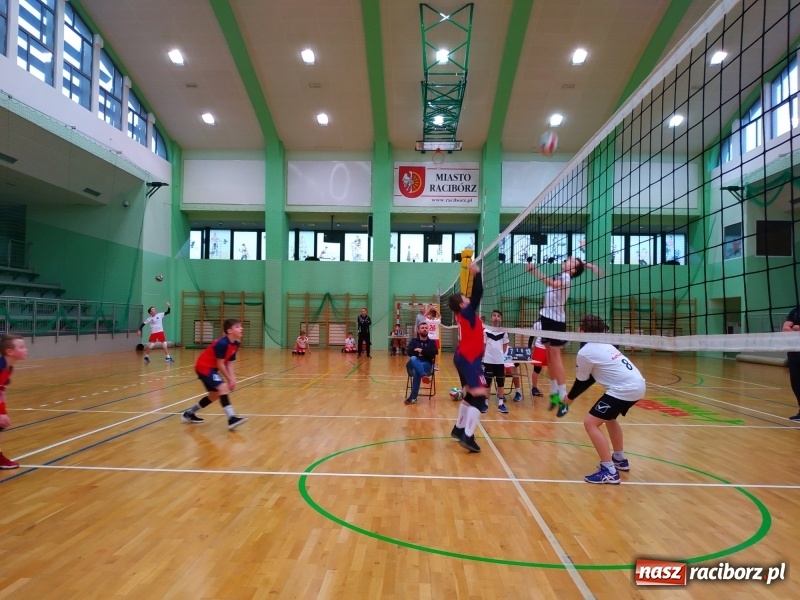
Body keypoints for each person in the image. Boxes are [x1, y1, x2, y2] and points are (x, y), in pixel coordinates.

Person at [557, 315, 646, 484]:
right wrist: (571, 397)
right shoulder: (606, 344)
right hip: (638, 385)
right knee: (609, 418)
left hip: (624, 389)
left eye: (579, 327)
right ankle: (619, 459)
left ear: (582, 331)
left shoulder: (585, 352)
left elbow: (582, 381)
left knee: (590, 422)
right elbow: (590, 378)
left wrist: (569, 398)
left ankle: (609, 470)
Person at [525, 256, 599, 410]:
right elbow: (578, 263)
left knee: (555, 358)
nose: (566, 260)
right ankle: (554, 394)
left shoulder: (565, 277)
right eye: (568, 259)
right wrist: (590, 266)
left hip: (555, 322)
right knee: (550, 359)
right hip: (546, 318)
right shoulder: (563, 274)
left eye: (570, 261)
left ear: (573, 270)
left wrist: (534, 271)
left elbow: (552, 284)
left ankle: (563, 398)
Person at [448, 261, 489, 453]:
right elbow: (478, 293)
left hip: (462, 357)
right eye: (465, 298)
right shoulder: (467, 312)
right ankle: (468, 436)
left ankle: (459, 429)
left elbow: (474, 297)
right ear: (462, 304)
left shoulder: (462, 314)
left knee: (471, 394)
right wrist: (476, 273)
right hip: (469, 359)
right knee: (480, 397)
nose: (468, 299)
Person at [181, 318, 248, 430]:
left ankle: (189, 413)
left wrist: (233, 378)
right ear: (229, 331)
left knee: (214, 395)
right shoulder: (222, 343)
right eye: (237, 327)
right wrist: (228, 379)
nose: (241, 328)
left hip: (212, 369)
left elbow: (229, 363)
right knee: (223, 388)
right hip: (204, 367)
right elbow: (220, 364)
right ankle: (231, 418)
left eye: (241, 326)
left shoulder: (235, 344)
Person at [0, 334, 28, 469]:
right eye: (21, 347)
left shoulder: (8, 368)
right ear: (10, 351)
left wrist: (3, 412)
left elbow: (1, 391)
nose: (26, 350)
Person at [483, 310, 512, 414]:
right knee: (487, 383)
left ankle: (501, 403)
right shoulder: (486, 331)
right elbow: (484, 345)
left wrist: (499, 356)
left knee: (500, 382)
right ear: (491, 318)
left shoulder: (504, 332)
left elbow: (505, 346)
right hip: (488, 360)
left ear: (501, 319)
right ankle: (485, 403)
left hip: (499, 361)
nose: (496, 317)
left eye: (498, 316)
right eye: (494, 315)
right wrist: (485, 357)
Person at [404, 322, 438, 405]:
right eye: (422, 328)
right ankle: (423, 376)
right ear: (418, 331)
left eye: (426, 328)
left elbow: (434, 353)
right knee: (413, 358)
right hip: (412, 365)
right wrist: (426, 353)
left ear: (428, 330)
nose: (424, 329)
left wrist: (421, 351)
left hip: (426, 365)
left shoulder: (431, 342)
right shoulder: (414, 341)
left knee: (417, 370)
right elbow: (409, 352)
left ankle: (413, 397)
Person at [782, 307, 800, 421]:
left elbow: (791, 328)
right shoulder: (795, 311)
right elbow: (785, 328)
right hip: (794, 353)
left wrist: (796, 327)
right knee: (796, 383)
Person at [527, 319, 548, 398]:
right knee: (537, 369)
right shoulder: (538, 324)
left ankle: (556, 391)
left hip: (550, 348)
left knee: (554, 369)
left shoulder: (553, 322)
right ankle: (534, 388)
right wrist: (529, 348)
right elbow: (531, 336)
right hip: (540, 347)